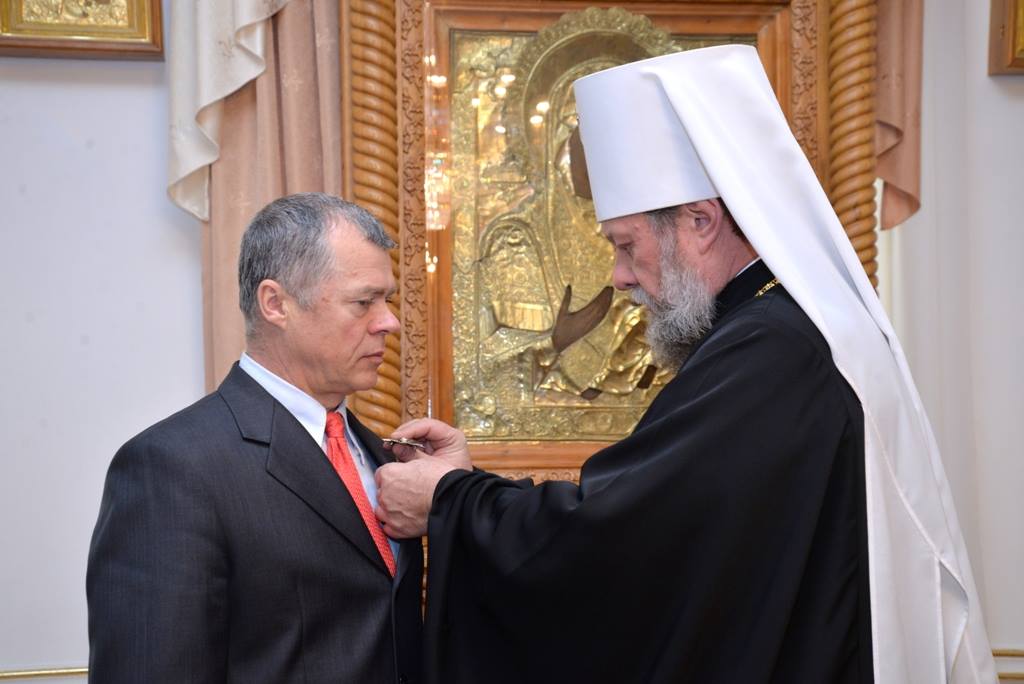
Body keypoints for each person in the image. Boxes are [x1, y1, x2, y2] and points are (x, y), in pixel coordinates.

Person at [374, 45, 995, 683]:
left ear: (700, 221)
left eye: (626, 245)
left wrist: (450, 502)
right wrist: (467, 489)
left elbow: (622, 544)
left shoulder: (772, 351)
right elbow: (656, 518)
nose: (619, 277)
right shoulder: (782, 327)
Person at [87, 193, 422, 683]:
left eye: (387, 300)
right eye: (363, 302)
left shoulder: (383, 456)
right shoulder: (172, 467)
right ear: (275, 304)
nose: (389, 321)